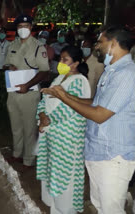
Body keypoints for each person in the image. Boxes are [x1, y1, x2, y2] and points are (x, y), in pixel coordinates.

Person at [41, 26, 135, 214]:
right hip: (98, 152)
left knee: (111, 210)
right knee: (100, 206)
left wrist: (65, 98)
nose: (96, 47)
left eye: (100, 42)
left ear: (113, 43)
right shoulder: (111, 71)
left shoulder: (126, 74)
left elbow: (100, 114)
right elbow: (96, 103)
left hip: (113, 156)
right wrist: (64, 95)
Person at [36, 46, 91, 214]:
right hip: (53, 135)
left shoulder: (79, 81)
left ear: (76, 63)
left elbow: (71, 108)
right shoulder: (59, 78)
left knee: (66, 175)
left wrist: (48, 120)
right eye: (61, 59)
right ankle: (55, 207)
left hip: (68, 139)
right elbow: (44, 100)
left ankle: (65, 209)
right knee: (53, 172)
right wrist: (42, 114)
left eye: (65, 60)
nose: (61, 63)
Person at [4, 15, 49, 168]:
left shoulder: (38, 47)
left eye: (26, 26)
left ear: (31, 27)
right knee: (15, 125)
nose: (23, 29)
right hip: (13, 92)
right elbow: (6, 64)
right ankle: (17, 153)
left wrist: (28, 84)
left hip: (29, 93)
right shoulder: (12, 45)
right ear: (16, 28)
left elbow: (44, 71)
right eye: (20, 26)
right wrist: (9, 67)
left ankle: (28, 160)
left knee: (29, 127)